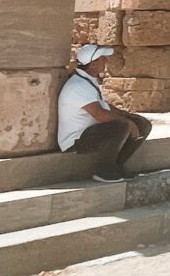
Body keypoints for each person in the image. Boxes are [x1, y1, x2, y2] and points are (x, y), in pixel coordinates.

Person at [57, 44, 152, 183]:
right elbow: (100, 114)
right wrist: (127, 122)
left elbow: (105, 106)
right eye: (102, 59)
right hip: (75, 140)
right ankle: (104, 172)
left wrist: (129, 116)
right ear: (93, 64)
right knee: (120, 126)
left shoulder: (88, 81)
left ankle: (116, 166)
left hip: (90, 132)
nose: (106, 61)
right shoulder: (77, 86)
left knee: (141, 124)